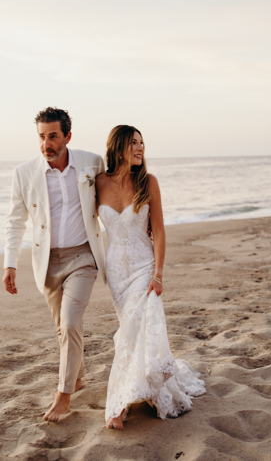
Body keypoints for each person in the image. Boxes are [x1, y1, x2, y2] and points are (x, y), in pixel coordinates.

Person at [95, 125, 205, 430]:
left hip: (145, 267)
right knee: (129, 332)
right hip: (116, 273)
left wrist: (158, 273)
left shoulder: (148, 182)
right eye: (134, 143)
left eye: (142, 143)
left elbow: (158, 231)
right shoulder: (98, 183)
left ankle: (119, 405)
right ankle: (136, 389)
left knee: (138, 329)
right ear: (118, 147)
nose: (140, 149)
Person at [2, 107, 106, 422]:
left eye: (53, 136)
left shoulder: (92, 163)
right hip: (46, 262)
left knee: (71, 322)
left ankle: (63, 396)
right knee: (63, 327)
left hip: (83, 257)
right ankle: (77, 376)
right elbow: (15, 221)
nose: (46, 144)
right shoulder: (24, 173)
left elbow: (111, 201)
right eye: (42, 137)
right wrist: (10, 263)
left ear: (67, 137)